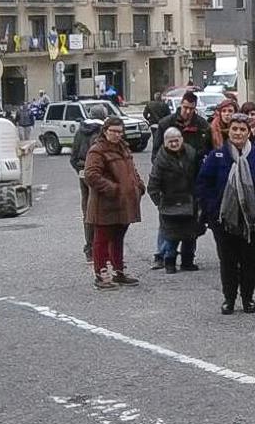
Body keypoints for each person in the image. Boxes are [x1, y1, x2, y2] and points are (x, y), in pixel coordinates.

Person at [196, 113, 255, 314]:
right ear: (228, 131)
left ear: (249, 132)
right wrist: (214, 212)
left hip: (251, 221)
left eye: (242, 129)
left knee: (249, 261)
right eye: (234, 129)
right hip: (224, 220)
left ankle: (248, 298)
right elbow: (203, 185)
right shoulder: (217, 156)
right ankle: (229, 299)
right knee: (228, 261)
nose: (238, 133)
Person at [84, 117, 145, 289]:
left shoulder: (124, 148)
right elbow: (91, 175)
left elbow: (132, 170)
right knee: (102, 239)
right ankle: (101, 273)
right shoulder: (97, 150)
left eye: (120, 131)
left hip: (124, 202)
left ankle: (119, 271)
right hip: (105, 203)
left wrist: (139, 186)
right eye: (113, 131)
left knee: (118, 237)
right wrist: (114, 189)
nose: (117, 135)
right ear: (105, 131)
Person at [149, 127, 201, 274]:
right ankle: (169, 263)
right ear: (165, 143)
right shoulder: (161, 159)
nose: (173, 144)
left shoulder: (191, 153)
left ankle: (188, 262)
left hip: (190, 200)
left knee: (191, 235)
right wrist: (160, 203)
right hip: (170, 203)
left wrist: (199, 197)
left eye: (176, 140)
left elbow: (198, 174)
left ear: (182, 140)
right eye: (170, 141)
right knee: (172, 236)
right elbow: (153, 185)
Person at [69, 104, 109, 262]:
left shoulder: (80, 131)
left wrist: (80, 170)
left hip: (82, 173)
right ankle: (101, 248)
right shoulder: (102, 131)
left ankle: (89, 248)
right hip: (98, 175)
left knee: (87, 211)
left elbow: (73, 156)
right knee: (101, 211)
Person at [159, 90, 213, 159]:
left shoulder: (203, 125)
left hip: (194, 167)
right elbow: (156, 152)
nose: (188, 111)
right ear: (181, 104)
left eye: (191, 109)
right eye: (185, 107)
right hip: (171, 166)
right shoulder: (165, 123)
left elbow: (208, 149)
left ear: (195, 108)